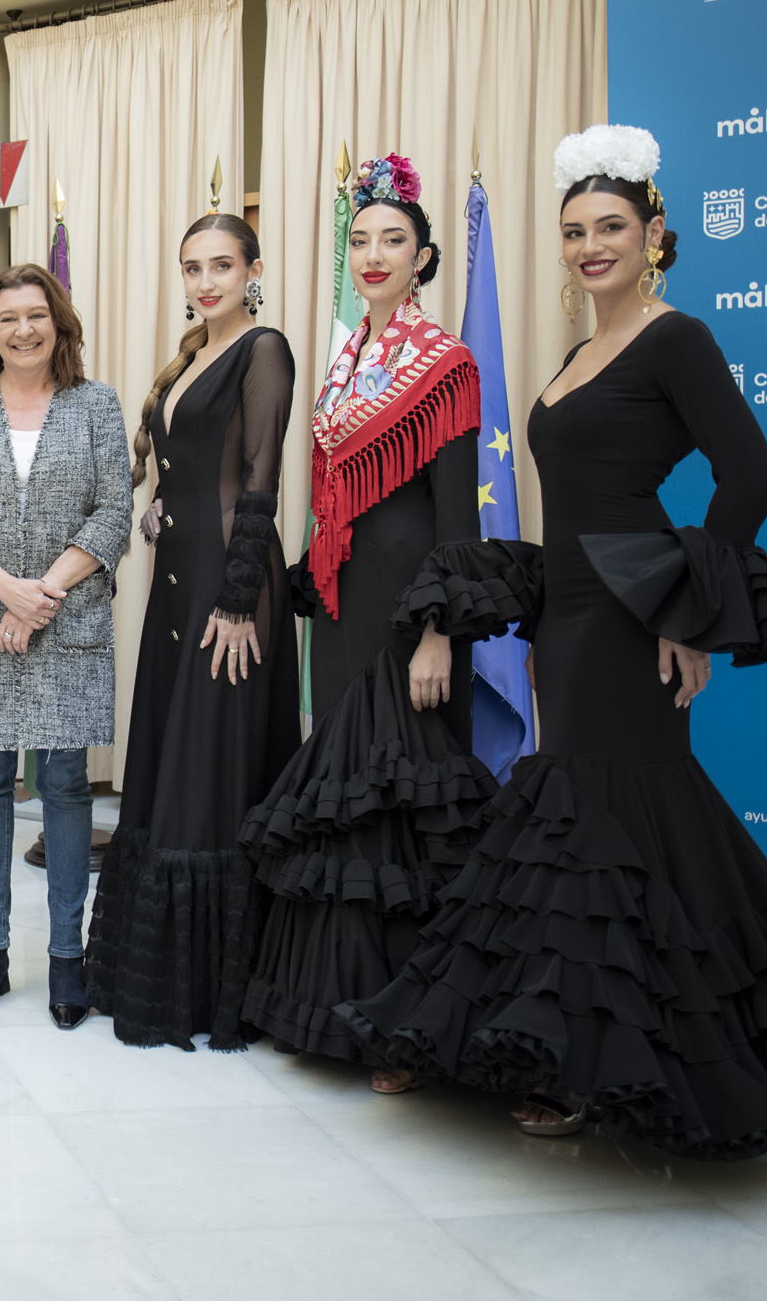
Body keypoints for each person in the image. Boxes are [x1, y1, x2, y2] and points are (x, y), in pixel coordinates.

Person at [340, 126, 767, 1158]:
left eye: (612, 228)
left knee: (599, 825)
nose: (591, 246)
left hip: (628, 617)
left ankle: (596, 1065)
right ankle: (582, 1047)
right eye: (576, 230)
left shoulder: (677, 339)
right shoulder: (583, 352)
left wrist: (690, 605)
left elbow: (750, 476)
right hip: (569, 610)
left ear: (654, 233)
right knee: (629, 833)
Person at [241, 157, 501, 1091]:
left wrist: (441, 631)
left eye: (394, 240)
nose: (375, 254)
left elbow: (458, 524)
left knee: (406, 815)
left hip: (412, 626)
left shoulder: (448, 365)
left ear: (426, 258)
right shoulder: (345, 363)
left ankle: (406, 1027)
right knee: (344, 809)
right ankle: (329, 1014)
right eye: (360, 240)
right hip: (345, 618)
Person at [86, 212, 299, 1051]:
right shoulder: (193, 354)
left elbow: (260, 479)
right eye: (191, 268)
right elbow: (190, 466)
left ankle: (207, 996)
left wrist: (239, 598)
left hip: (228, 591)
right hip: (179, 592)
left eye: (221, 265)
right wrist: (159, 509)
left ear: (252, 269)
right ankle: (158, 976)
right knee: (172, 766)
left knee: (209, 783)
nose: (205, 281)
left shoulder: (264, 348)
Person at [0, 264, 131, 1029]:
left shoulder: (95, 404)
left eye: (36, 314)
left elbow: (114, 512)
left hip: (67, 620)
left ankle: (67, 957)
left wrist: (40, 596)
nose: (23, 330)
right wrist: (5, 588)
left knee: (67, 785)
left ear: (58, 321)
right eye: (7, 317)